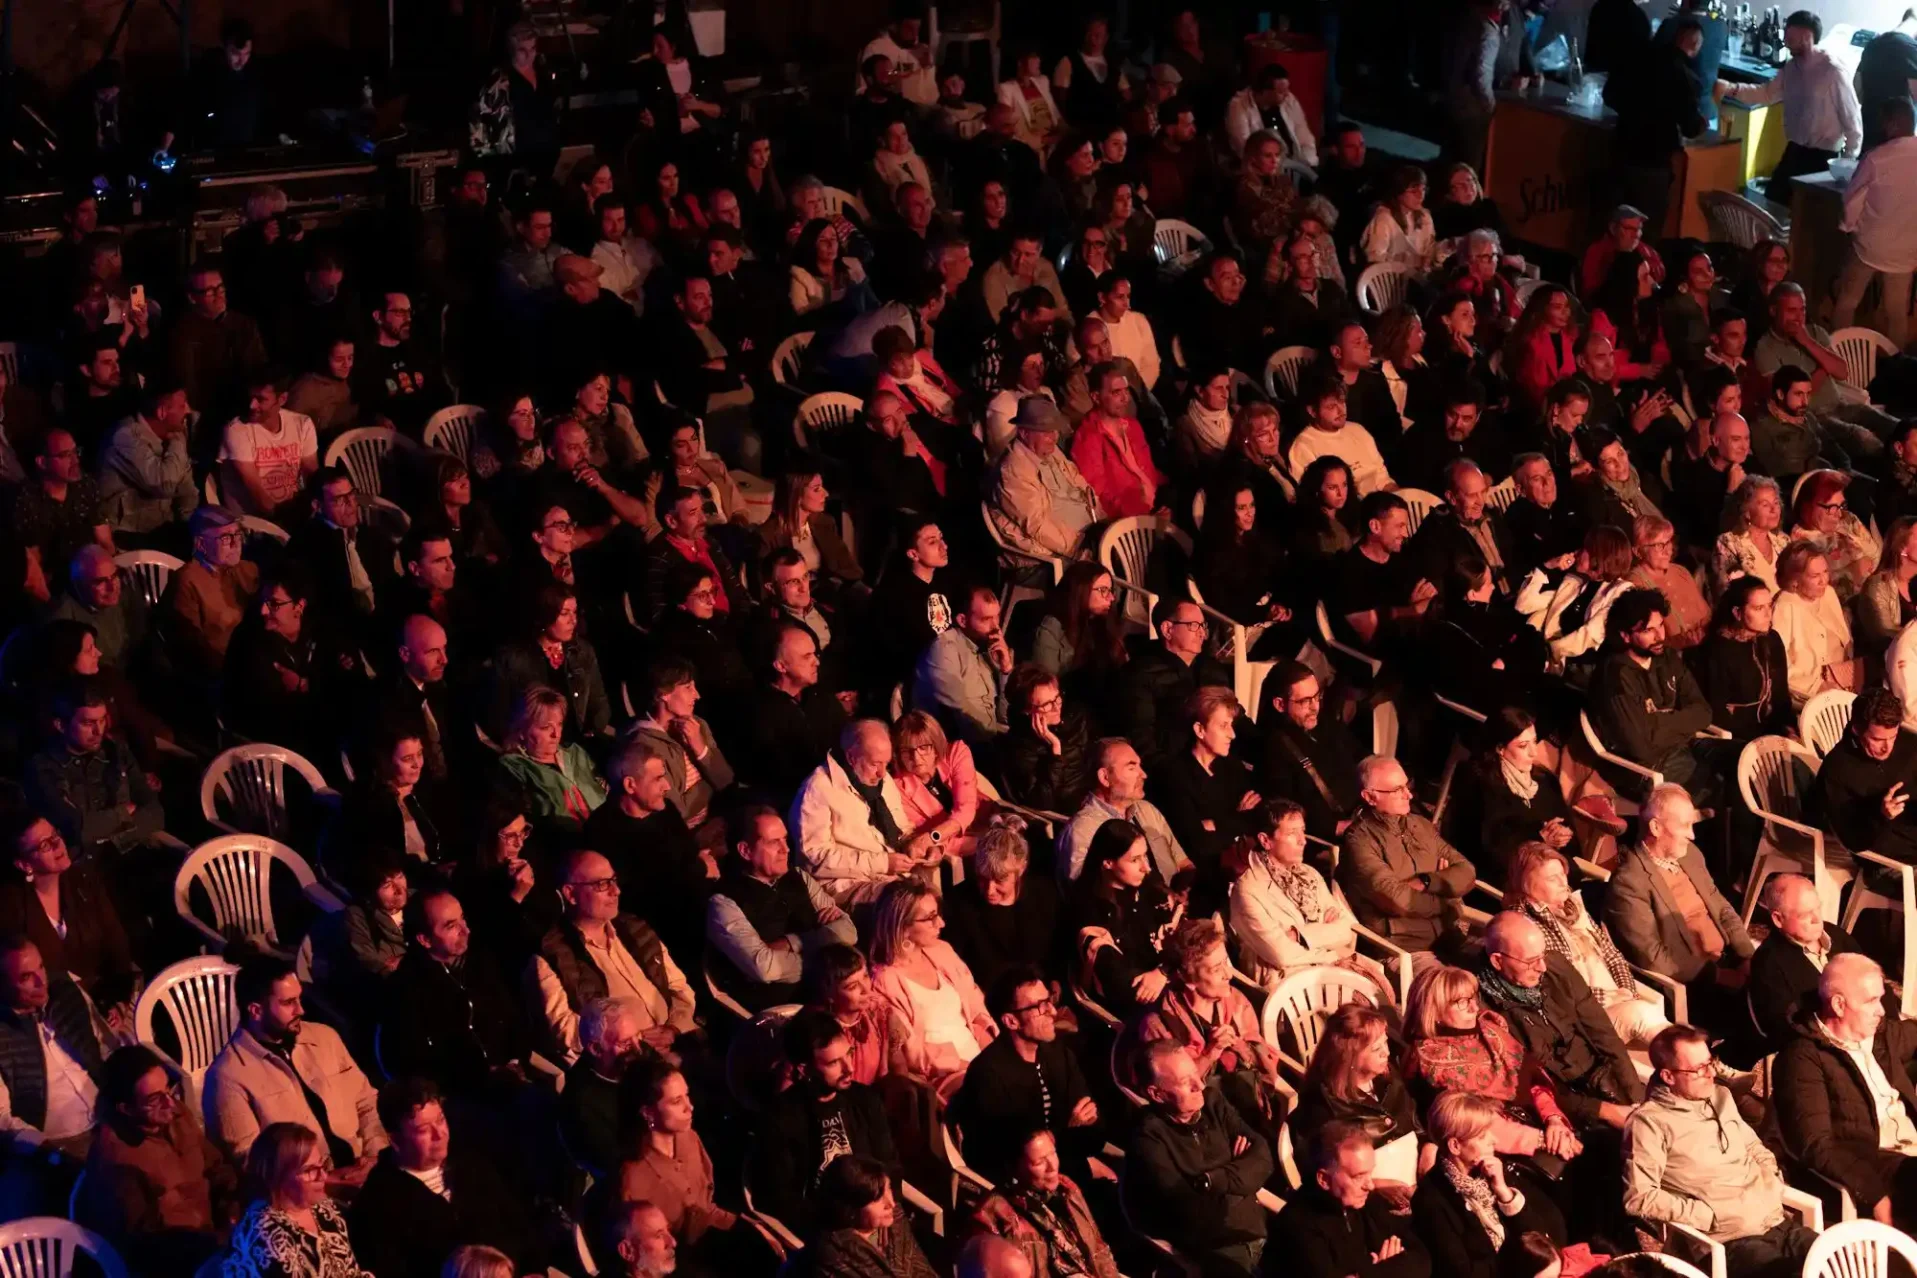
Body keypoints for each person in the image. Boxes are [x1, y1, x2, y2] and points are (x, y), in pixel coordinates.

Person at [1626, 1023, 1818, 1278]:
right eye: (1698, 1069)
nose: (1710, 1074)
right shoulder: (1650, 1123)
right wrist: (1706, 1215)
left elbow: (1752, 1144)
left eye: (1710, 1062)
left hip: (1777, 1222)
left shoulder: (1721, 1097)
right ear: (1668, 1076)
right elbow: (1639, 1197)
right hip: (1731, 1241)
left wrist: (1769, 1176)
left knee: (1846, 1263)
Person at [204, 957, 387, 1179]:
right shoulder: (227, 1075)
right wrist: (324, 1181)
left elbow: (367, 1101)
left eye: (299, 999)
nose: (301, 1010)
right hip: (305, 1192)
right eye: (288, 1002)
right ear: (255, 1011)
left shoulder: (325, 1038)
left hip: (366, 1168)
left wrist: (374, 1156)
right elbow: (250, 1160)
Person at [1775, 951, 1917, 1227]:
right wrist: (1873, 1194)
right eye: (1872, 1001)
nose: (1883, 1010)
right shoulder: (1803, 1059)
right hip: (1876, 1161)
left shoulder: (1879, 1033)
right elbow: (1815, 1143)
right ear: (1839, 1005)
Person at [348, 1078, 531, 1278]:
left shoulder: (470, 1162)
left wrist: (534, 1269)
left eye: (441, 1119)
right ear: (396, 1140)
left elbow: (517, 1221)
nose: (440, 1134)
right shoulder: (377, 1205)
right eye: (424, 1129)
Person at [1476, 913, 1644, 1130]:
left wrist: (1636, 1100)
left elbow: (1604, 1035)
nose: (1542, 967)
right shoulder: (1485, 1008)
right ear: (1498, 961)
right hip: (1559, 1106)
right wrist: (1604, 1111)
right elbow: (1526, 1083)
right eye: (1530, 961)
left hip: (1601, 1077)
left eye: (1542, 955)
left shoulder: (1557, 968)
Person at [528, 849, 697, 1063]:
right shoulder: (552, 954)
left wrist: (674, 1028)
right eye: (602, 884)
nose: (616, 891)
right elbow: (566, 1033)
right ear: (571, 894)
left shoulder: (635, 929)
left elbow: (681, 989)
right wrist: (633, 1041)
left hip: (678, 1044)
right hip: (625, 1063)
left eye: (614, 881)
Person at [1604, 784, 1753, 1028]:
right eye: (1684, 825)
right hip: (1698, 982)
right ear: (1655, 827)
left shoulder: (1690, 854)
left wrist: (1747, 956)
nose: (1692, 835)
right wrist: (1721, 976)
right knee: (1773, 1012)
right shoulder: (1629, 882)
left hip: (1729, 960)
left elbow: (1723, 909)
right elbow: (1653, 958)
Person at [82, 1044, 238, 1273]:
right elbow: (144, 1244)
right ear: (126, 1109)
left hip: (216, 1238)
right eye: (155, 1099)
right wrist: (215, 1244)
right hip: (179, 1262)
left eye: (168, 1088)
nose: (170, 1104)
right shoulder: (116, 1159)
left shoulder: (176, 1115)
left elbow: (216, 1168)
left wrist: (232, 1210)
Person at [1124, 1040, 1274, 1278]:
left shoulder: (1213, 1101)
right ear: (1157, 1094)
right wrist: (1237, 1172)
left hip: (1260, 1229)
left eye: (1196, 1074)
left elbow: (1263, 1156)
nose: (1200, 1085)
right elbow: (1187, 1209)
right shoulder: (1148, 1136)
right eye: (1186, 1082)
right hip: (1216, 1248)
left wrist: (1209, 1179)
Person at [1400, 966, 1584, 1160]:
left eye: (1472, 998)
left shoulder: (1492, 1032)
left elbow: (1534, 1084)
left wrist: (1555, 1121)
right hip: (1491, 1152)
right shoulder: (1426, 1060)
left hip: (1542, 1128)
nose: (1474, 1008)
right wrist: (1543, 1141)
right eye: (1461, 1002)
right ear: (1434, 1010)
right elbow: (1470, 1124)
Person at [1504, 843, 1669, 1045]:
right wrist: (1610, 997)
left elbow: (1612, 955)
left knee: (1651, 1011)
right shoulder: (1524, 926)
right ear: (1526, 884)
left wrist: (1626, 991)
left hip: (1617, 1001)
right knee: (1642, 1014)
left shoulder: (1573, 908)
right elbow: (1558, 988)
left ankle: (1696, 1062)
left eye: (1562, 874)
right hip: (1581, 1019)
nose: (1563, 882)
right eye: (1551, 878)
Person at [949, 964, 1100, 1182]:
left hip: (1067, 1163)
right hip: (1023, 1186)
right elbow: (1015, 1158)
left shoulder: (1059, 1054)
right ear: (1011, 1021)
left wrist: (1059, 1136)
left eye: (1049, 1001)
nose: (1053, 1012)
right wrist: (1065, 1132)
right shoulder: (988, 1075)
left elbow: (1094, 1133)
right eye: (1040, 1006)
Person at [379, 887, 533, 1099]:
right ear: (424, 939)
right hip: (460, 1098)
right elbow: (415, 1064)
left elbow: (513, 1016)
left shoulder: (481, 962)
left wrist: (516, 1061)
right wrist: (483, 1076)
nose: (466, 930)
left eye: (462, 919)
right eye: (451, 926)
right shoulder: (405, 989)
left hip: (511, 1078)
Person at [753, 1010, 900, 1231]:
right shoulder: (781, 1119)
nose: (850, 1068)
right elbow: (781, 1200)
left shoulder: (865, 1100)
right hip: (826, 1231)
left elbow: (889, 1164)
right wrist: (844, 1224)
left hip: (879, 1216)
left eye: (849, 1054)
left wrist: (884, 1207)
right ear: (805, 1069)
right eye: (833, 1063)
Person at [1230, 798, 1389, 992]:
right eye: (1292, 833)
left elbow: (1347, 929)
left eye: (1302, 831)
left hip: (1329, 965)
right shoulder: (1248, 889)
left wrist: (1299, 935)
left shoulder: (1308, 873)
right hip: (1287, 982)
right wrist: (1325, 936)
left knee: (1378, 990)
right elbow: (1282, 954)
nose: (1303, 840)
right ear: (1265, 840)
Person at [705, 804, 854, 1011]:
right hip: (782, 1008)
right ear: (746, 851)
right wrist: (826, 954)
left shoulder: (799, 877)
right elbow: (764, 967)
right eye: (775, 842)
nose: (786, 849)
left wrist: (789, 942)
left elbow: (848, 932)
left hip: (829, 991)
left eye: (785, 839)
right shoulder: (723, 903)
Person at [1140, 917, 1282, 1131]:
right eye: (1216, 969)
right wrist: (1209, 1053)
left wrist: (1242, 1048)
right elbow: (1174, 1093)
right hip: (1198, 1129)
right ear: (1188, 980)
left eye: (1226, 963)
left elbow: (1262, 1057)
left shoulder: (1235, 1001)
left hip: (1247, 1117)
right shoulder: (1159, 1025)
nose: (1228, 974)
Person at [1412, 1091, 1568, 1278]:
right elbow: (1463, 1272)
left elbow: (1540, 1237)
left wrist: (1504, 1193)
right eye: (1482, 1136)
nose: (1493, 1140)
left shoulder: (1492, 1169)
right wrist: (1523, 1265)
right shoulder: (1430, 1199)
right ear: (1455, 1146)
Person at [1340, 755, 1477, 954]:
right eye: (1398, 790)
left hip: (1448, 936)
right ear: (1370, 797)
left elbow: (1467, 871)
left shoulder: (1420, 825)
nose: (1409, 795)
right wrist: (1446, 901)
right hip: (1404, 948)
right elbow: (1398, 900)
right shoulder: (1359, 841)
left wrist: (1426, 882)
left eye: (1407, 786)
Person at [868, 880, 995, 1094]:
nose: (941, 924)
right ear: (902, 927)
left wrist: (994, 1054)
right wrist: (967, 1067)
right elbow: (912, 1053)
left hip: (979, 1060)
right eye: (930, 918)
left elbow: (976, 1007)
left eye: (938, 914)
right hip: (941, 1075)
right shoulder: (884, 980)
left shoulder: (942, 951)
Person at [1721, 10, 1863, 197]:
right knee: (1773, 200)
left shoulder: (1833, 71)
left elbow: (1852, 121)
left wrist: (1845, 165)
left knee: (1805, 215)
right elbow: (1766, 94)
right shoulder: (1791, 68)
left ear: (1806, 37)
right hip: (1795, 150)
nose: (1785, 40)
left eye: (1790, 35)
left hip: (1822, 157)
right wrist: (1731, 88)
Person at [1589, 589, 1718, 793]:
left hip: (1683, 746)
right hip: (1646, 768)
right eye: (1649, 630)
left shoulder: (1666, 657)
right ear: (1625, 635)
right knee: (1718, 785)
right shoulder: (1615, 675)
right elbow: (1640, 746)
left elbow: (1703, 712)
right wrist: (1683, 723)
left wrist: (1659, 721)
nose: (1660, 636)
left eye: (1660, 626)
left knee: (1740, 760)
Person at [0, 813, 134, 1005]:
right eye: (44, 844)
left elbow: (116, 942)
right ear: (24, 864)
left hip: (107, 997)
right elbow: (21, 980)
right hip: (54, 1008)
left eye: (55, 835)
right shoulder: (11, 906)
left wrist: (117, 1000)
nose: (57, 844)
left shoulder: (84, 879)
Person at [25, 678, 164, 862]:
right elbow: (78, 829)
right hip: (86, 867)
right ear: (61, 725)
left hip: (134, 855)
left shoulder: (116, 750)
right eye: (88, 723)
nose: (99, 731)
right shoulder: (44, 767)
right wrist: (123, 813)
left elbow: (155, 813)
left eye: (102, 720)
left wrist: (111, 835)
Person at [1275, 1119, 1433, 1278]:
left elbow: (1422, 1260)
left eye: (1370, 1173)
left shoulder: (1367, 1201)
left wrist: (1368, 1273)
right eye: (1358, 1176)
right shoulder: (1298, 1228)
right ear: (1324, 1179)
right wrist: (1389, 1268)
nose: (1370, 1185)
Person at [1155, 687, 1261, 902]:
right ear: (1200, 729)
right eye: (1223, 726)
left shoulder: (1233, 767)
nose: (1232, 734)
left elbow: (1256, 819)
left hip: (1242, 871)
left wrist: (1215, 824)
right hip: (1199, 882)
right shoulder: (1174, 774)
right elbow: (1198, 844)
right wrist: (1237, 819)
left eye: (1231, 725)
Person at [224, 1123, 370, 1278]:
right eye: (309, 1170)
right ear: (278, 1177)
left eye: (322, 1165)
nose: (323, 1176)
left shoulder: (323, 1208)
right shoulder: (267, 1238)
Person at [968, 1129, 1119, 1278]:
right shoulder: (993, 1214)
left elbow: (1098, 1250)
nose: (1052, 1167)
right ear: (1015, 1168)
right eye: (1039, 1162)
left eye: (1053, 1153)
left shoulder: (1067, 1189)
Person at [1747, 874, 1869, 1053]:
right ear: (1778, 919)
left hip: (1871, 1031)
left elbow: (1871, 979)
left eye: (1817, 908)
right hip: (1832, 1050)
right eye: (1804, 915)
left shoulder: (1837, 936)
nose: (1817, 919)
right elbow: (1790, 1031)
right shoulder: (1769, 966)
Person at [1114, 598, 1234, 775]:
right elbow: (1142, 738)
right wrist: (1175, 774)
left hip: (1218, 764)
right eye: (1193, 625)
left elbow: (1235, 717)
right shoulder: (1140, 674)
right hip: (1172, 771)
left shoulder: (1212, 669)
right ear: (1167, 629)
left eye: (1203, 626)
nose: (1202, 634)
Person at [1833, 97, 1917, 347]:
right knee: (1897, 314)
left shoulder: (1876, 159)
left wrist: (1848, 227)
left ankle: (1839, 350)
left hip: (1869, 246)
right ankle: (1897, 365)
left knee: (1847, 300)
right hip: (1906, 251)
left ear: (1892, 124)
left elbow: (1852, 201)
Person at [1810, 684, 1917, 866]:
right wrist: (1881, 816)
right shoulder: (1837, 770)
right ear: (1857, 730)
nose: (1887, 747)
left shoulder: (1908, 744)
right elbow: (1853, 841)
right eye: (1877, 739)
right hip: (1886, 863)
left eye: (1893, 737)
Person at [1258, 663, 1365, 843]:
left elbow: (1359, 753)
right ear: (1279, 704)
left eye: (1317, 696)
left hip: (1363, 814)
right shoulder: (1273, 749)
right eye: (1304, 701)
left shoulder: (1324, 723)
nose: (1315, 707)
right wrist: (1337, 827)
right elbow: (1284, 812)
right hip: (1336, 837)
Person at [987, 396, 1103, 562]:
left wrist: (1104, 522)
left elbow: (1083, 488)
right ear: (1024, 433)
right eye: (1046, 431)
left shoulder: (1051, 450)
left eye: (1055, 430)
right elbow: (1037, 525)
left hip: (1090, 531)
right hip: (1065, 548)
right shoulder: (1013, 470)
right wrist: (1079, 549)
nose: (1054, 437)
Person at [1475, 709, 1586, 879]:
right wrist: (1539, 840)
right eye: (1523, 746)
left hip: (1554, 876)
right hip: (1512, 882)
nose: (1533, 752)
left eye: (1534, 742)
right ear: (1500, 748)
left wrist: (1564, 836)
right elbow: (1486, 850)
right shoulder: (1482, 785)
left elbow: (1573, 845)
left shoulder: (1546, 782)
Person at [1688, 576, 1794, 742]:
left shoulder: (1772, 639)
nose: (1768, 614)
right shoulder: (1717, 651)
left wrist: (1790, 729)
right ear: (1737, 613)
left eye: (1770, 606)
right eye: (1759, 608)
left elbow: (1780, 694)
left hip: (1774, 730)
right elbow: (1717, 712)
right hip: (1739, 738)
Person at [800, 1154, 938, 1278]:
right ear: (851, 1210)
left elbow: (922, 1270)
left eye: (888, 1188)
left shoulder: (895, 1221)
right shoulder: (832, 1258)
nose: (891, 1203)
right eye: (877, 1199)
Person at [556, 997, 648, 1180]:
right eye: (626, 1044)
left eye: (639, 1036)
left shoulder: (635, 1059)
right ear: (597, 1049)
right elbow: (621, 1171)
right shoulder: (582, 1106)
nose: (639, 1049)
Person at [914, 583, 1013, 745]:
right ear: (962, 620)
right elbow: (959, 718)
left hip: (990, 739)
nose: (996, 626)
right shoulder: (945, 649)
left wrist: (1005, 670)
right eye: (986, 619)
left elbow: (1005, 715)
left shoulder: (989, 649)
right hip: (959, 745)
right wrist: (998, 739)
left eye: (997, 616)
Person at [1773, 540, 1861, 708]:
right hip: (1807, 696)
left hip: (1841, 682)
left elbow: (1845, 641)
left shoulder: (1828, 593)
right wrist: (1816, 686)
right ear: (1794, 580)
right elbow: (1778, 665)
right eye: (1815, 576)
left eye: (1825, 572)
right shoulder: (1784, 606)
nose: (1824, 580)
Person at [891, 709, 986, 856]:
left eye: (923, 747)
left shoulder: (957, 752)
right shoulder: (897, 788)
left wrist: (933, 837)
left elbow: (966, 808)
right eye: (906, 750)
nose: (916, 758)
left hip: (988, 821)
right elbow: (923, 832)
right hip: (958, 846)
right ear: (898, 754)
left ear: (935, 747)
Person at [1789, 468, 1881, 602]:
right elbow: (1822, 589)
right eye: (1831, 507)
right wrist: (1855, 570)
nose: (1839, 514)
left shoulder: (1848, 519)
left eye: (1841, 505)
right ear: (1807, 506)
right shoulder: (1800, 544)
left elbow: (1876, 555)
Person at [1361, 166, 1440, 278]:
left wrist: (1443, 250)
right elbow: (1375, 257)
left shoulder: (1424, 216)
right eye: (1414, 191)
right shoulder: (1384, 219)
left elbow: (1429, 250)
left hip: (1418, 279)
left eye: (1423, 189)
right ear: (1398, 192)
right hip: (1390, 283)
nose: (1421, 196)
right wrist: (1411, 260)